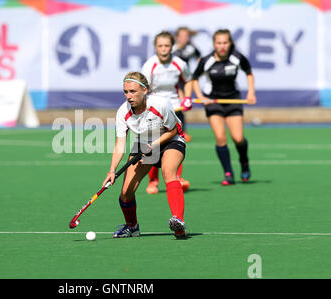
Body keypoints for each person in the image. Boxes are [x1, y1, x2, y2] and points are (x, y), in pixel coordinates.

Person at [102, 71, 188, 239]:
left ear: (145, 90)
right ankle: (132, 227)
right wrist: (112, 170)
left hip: (170, 140)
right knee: (126, 193)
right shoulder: (122, 112)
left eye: (133, 91)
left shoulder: (160, 104)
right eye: (126, 92)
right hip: (144, 144)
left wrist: (154, 145)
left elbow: (173, 130)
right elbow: (120, 143)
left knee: (168, 172)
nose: (129, 96)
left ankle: (178, 221)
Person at [191, 29, 257, 185]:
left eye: (225, 42)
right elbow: (194, 79)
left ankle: (244, 162)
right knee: (220, 137)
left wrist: (251, 93)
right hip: (214, 102)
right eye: (218, 43)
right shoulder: (206, 60)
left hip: (233, 100)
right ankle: (228, 173)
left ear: (230, 43)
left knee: (238, 138)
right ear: (214, 44)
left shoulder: (237, 57)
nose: (222, 46)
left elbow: (249, 73)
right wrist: (201, 97)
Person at [141, 30, 193, 195]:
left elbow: (189, 80)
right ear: (156, 47)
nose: (163, 49)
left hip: (175, 108)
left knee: (176, 142)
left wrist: (188, 98)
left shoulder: (179, 63)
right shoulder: (150, 65)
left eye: (167, 46)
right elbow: (143, 88)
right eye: (160, 46)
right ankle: (153, 181)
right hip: (155, 109)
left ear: (172, 47)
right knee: (154, 144)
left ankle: (177, 177)